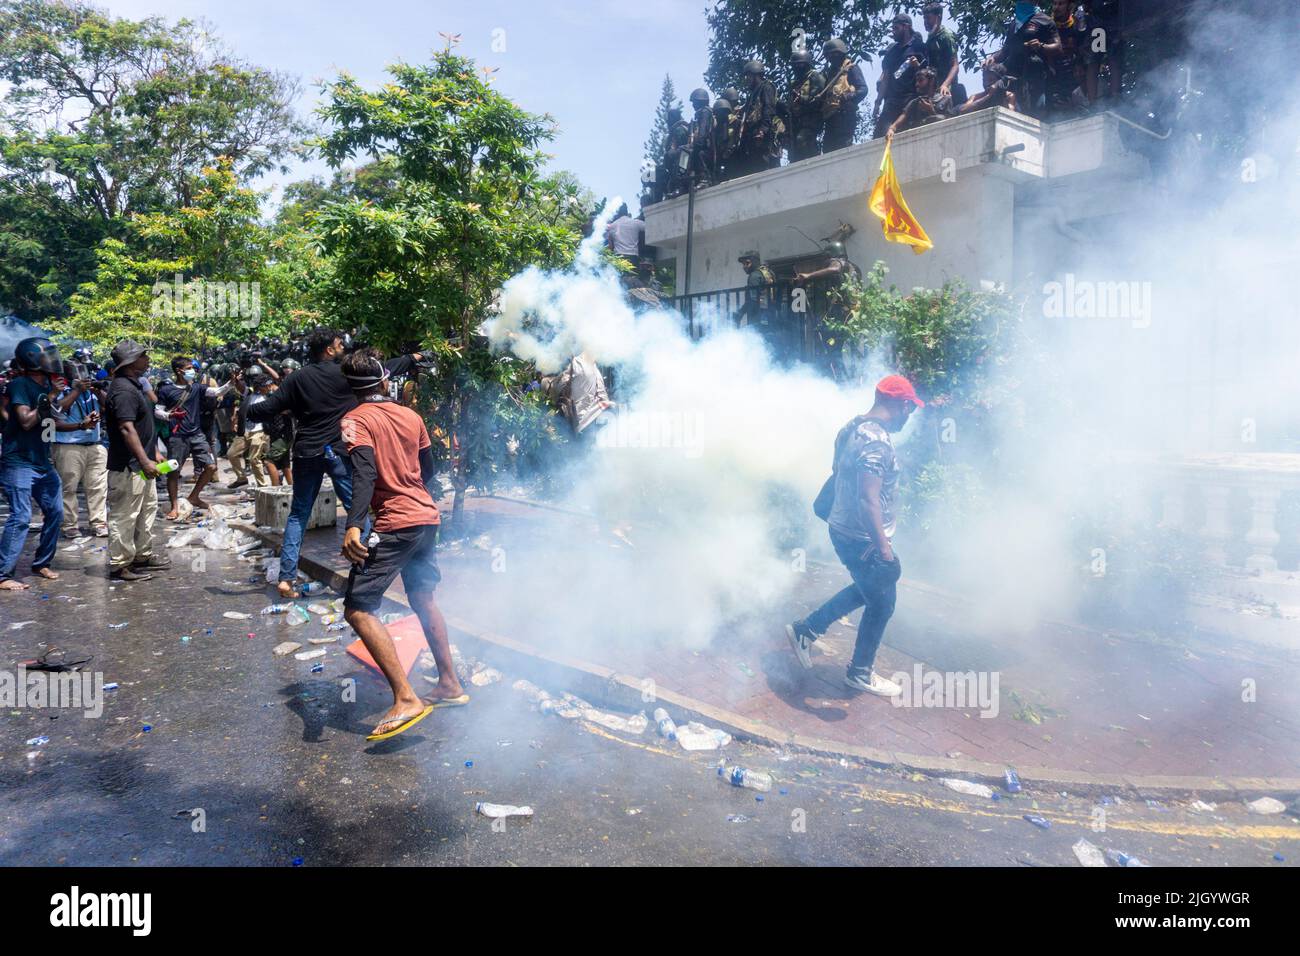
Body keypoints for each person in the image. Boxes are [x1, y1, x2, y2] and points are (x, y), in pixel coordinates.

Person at [337, 348, 467, 741]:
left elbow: (363, 473)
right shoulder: (411, 415)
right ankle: (449, 684)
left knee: (358, 609)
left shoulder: (355, 420)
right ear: (382, 381)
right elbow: (427, 470)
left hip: (395, 523)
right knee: (424, 598)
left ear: (351, 389)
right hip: (427, 519)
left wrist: (354, 525)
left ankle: (406, 698)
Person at [246, 328, 421, 599]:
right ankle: (366, 571)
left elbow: (265, 407)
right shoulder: (345, 374)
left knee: (298, 515)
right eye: (339, 344)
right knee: (356, 511)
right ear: (329, 349)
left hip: (306, 452)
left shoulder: (298, 378)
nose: (343, 348)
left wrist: (253, 408)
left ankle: (286, 579)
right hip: (339, 451)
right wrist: (412, 358)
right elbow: (382, 369)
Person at [786, 375, 924, 695]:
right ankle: (859, 672)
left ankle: (806, 630)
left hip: (843, 528)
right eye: (910, 409)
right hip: (861, 537)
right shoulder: (877, 442)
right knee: (883, 602)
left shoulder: (852, 427)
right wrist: (884, 551)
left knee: (867, 590)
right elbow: (867, 499)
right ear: (901, 405)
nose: (910, 415)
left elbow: (840, 475)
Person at [0, 338, 65, 589]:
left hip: (42, 463)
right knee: (21, 517)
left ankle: (42, 563)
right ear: (30, 359)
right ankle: (3, 574)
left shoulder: (48, 386)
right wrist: (50, 396)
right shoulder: (19, 385)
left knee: (56, 512)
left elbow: (51, 423)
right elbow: (26, 421)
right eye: (46, 354)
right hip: (19, 462)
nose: (52, 358)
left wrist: (82, 425)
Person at [103, 339, 170, 582]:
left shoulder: (134, 385)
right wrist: (144, 461)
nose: (148, 359)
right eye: (143, 356)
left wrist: (153, 455)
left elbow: (142, 426)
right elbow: (125, 428)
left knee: (146, 510)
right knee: (125, 515)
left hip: (141, 464)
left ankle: (142, 555)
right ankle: (119, 565)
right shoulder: (123, 390)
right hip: (128, 466)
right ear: (131, 363)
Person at [157, 356, 236, 519]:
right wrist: (169, 415)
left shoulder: (196, 387)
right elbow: (157, 410)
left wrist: (230, 383)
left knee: (211, 467)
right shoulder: (166, 390)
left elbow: (216, 392)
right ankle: (174, 506)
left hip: (197, 434)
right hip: (177, 437)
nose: (192, 371)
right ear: (179, 371)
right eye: (189, 368)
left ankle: (194, 497)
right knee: (173, 472)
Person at [52, 360, 109, 538]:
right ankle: (69, 525)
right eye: (76, 373)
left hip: (95, 445)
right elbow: (58, 412)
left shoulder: (92, 392)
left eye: (84, 373)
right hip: (68, 446)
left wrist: (99, 391)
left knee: (98, 487)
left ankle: (99, 523)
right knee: (68, 488)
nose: (82, 377)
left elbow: (110, 407)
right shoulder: (60, 392)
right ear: (68, 376)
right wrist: (77, 390)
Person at [983, 0, 1060, 120]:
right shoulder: (1014, 24)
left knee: (1036, 110)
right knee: (993, 74)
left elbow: (1057, 46)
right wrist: (992, 57)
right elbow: (1005, 51)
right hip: (1013, 73)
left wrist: (1041, 46)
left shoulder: (1045, 20)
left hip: (1035, 74)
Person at [874, 17, 928, 139]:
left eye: (896, 28)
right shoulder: (891, 52)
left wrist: (917, 66)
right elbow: (885, 79)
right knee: (880, 136)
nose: (893, 31)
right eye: (892, 28)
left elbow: (927, 75)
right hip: (891, 102)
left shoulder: (919, 47)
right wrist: (878, 102)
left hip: (911, 100)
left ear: (906, 26)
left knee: (908, 137)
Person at [821, 38, 870, 151]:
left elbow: (863, 89)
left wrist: (849, 96)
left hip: (845, 116)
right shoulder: (830, 74)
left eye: (833, 54)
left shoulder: (851, 68)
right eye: (828, 56)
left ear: (839, 53)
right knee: (828, 150)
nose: (830, 58)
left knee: (843, 147)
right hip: (831, 118)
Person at [735, 60, 778, 177]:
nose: (746, 79)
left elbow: (768, 109)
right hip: (751, 135)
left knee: (762, 166)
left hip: (762, 135)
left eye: (748, 76)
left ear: (755, 74)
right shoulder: (753, 94)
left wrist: (763, 130)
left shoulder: (766, 87)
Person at [886, 67, 955, 137]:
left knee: (939, 117)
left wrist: (931, 111)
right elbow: (901, 118)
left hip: (940, 138)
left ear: (931, 81)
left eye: (920, 80)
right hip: (919, 138)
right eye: (916, 81)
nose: (917, 84)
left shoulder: (945, 99)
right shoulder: (915, 102)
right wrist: (891, 129)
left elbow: (949, 124)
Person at [923, 2, 966, 110]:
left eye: (928, 18)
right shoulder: (930, 38)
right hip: (934, 85)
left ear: (938, 17)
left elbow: (955, 65)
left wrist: (945, 85)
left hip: (947, 87)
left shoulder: (946, 36)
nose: (925, 22)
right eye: (924, 18)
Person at [787, 49, 826, 162]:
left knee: (803, 141)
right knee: (794, 152)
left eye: (799, 64)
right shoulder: (796, 83)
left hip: (811, 120)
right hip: (797, 122)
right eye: (794, 65)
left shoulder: (815, 77)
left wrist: (802, 99)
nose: (796, 68)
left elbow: (818, 99)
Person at [687, 88, 717, 186]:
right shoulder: (702, 114)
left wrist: (695, 145)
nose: (693, 105)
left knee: (695, 153)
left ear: (700, 101)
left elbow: (703, 133)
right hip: (705, 146)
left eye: (694, 102)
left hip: (707, 148)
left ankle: (704, 179)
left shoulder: (705, 112)